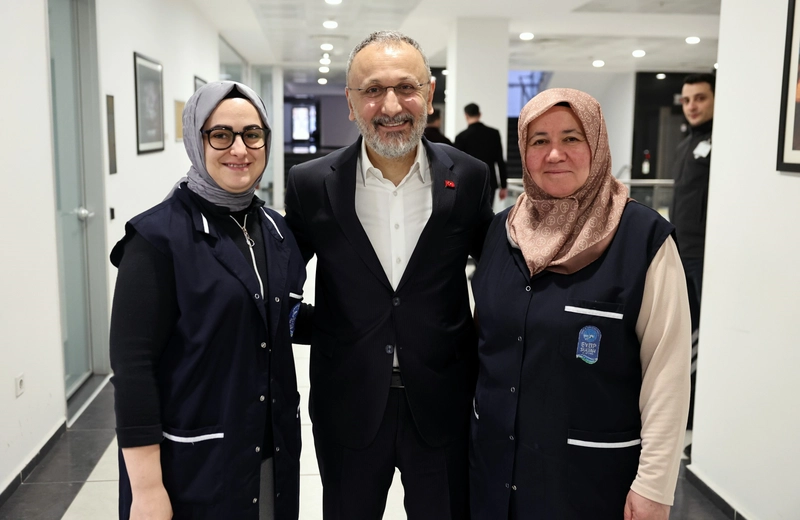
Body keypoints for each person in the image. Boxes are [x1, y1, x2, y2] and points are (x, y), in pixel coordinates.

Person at [284, 31, 493, 520]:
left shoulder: (469, 177)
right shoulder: (311, 184)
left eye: (406, 87)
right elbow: (280, 284)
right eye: (373, 90)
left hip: (443, 401)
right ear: (351, 103)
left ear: (430, 94)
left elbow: (495, 275)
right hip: (348, 402)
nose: (392, 105)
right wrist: (325, 328)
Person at [470, 88, 691, 520]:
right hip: (494, 474)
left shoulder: (643, 238)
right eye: (539, 141)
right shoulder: (500, 232)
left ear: (597, 144)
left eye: (572, 138)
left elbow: (667, 372)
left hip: (590, 482)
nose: (555, 154)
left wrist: (655, 485)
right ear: (523, 152)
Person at [109, 81, 310, 520]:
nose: (239, 149)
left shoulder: (274, 230)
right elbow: (133, 369)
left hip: (269, 451)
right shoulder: (156, 239)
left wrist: (373, 321)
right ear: (196, 140)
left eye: (252, 134)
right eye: (221, 135)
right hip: (192, 464)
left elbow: (283, 318)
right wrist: (146, 489)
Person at [671, 72, 714, 433]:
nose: (692, 106)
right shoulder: (686, 145)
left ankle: (696, 414)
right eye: (686, 100)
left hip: (706, 255)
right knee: (685, 331)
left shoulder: (723, 143)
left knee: (699, 334)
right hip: (682, 252)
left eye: (700, 98)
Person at [454, 102, 508, 201]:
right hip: (489, 181)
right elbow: (500, 160)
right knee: (487, 210)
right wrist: (504, 185)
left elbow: (457, 164)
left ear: (466, 115)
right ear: (479, 114)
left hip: (468, 182)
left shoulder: (461, 137)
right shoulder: (493, 134)